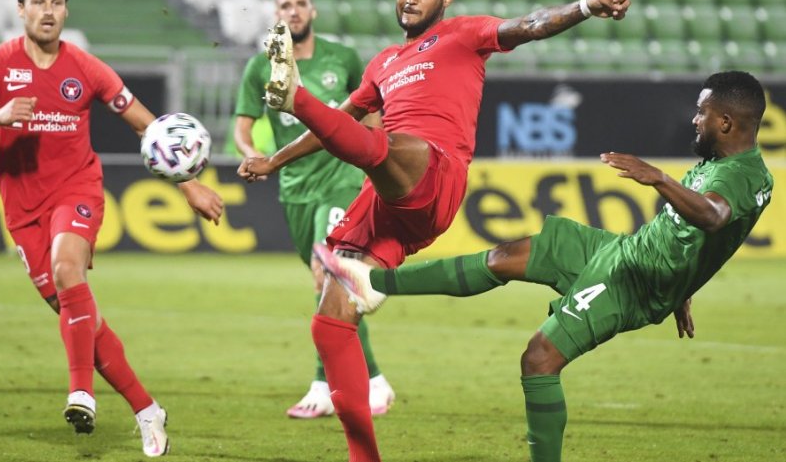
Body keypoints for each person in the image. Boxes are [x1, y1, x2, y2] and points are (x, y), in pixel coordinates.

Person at [239, 0, 630, 460]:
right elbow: (341, 119)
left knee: (385, 146)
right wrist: (274, 161)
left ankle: (296, 99)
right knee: (330, 322)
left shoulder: (464, 34)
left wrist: (587, 6)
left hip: (435, 173)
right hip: (387, 201)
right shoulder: (382, 63)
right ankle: (364, 456)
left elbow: (532, 24)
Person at [314, 70, 774, 461]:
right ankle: (372, 283)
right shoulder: (725, 164)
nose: (695, 119)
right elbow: (697, 234)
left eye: (702, 112)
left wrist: (657, 178)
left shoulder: (739, 175)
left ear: (726, 121)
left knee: (538, 360)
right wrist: (685, 289)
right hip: (625, 251)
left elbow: (713, 217)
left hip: (634, 282)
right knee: (504, 256)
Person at [0, 0, 224, 458]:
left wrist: (189, 185)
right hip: (22, 209)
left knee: (67, 267)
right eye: (38, 2)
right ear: (21, 10)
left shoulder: (87, 68)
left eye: (56, 2)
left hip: (77, 190)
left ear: (66, 10)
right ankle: (147, 410)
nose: (48, 11)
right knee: (81, 319)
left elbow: (147, 126)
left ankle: (81, 394)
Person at [234, 0, 395, 419]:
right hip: (294, 188)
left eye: (301, 4)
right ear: (276, 14)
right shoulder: (260, 67)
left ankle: (328, 384)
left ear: (313, 10)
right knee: (328, 283)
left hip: (341, 179)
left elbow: (372, 115)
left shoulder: (343, 58)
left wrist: (377, 165)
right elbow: (243, 127)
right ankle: (374, 380)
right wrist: (253, 155)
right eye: (285, 5)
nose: (294, 11)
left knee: (329, 276)